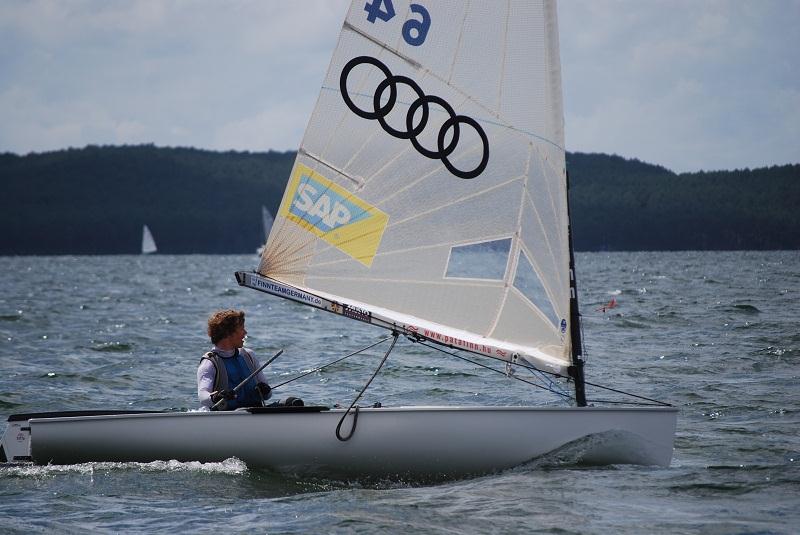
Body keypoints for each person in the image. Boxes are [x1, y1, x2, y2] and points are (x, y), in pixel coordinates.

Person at [197, 309, 272, 411]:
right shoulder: (210, 363)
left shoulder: (249, 355)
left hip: (255, 411)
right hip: (229, 416)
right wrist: (216, 397)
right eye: (242, 329)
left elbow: (268, 396)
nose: (245, 333)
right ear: (229, 333)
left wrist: (265, 390)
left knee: (293, 402)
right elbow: (202, 396)